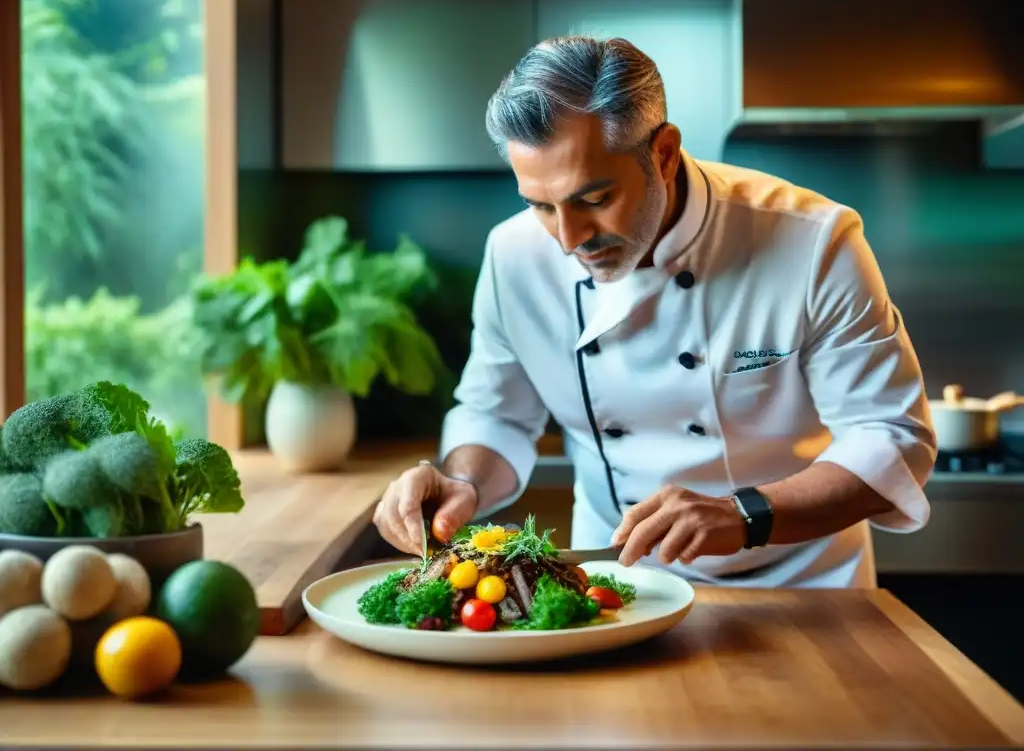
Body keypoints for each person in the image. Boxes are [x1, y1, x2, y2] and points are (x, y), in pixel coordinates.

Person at [372, 35, 937, 589]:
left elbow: (892, 440)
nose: (569, 239)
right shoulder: (514, 253)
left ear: (662, 154)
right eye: (541, 206)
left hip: (802, 585)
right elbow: (496, 415)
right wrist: (462, 484)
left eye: (593, 200)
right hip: (618, 584)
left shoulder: (812, 241)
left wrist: (743, 516)